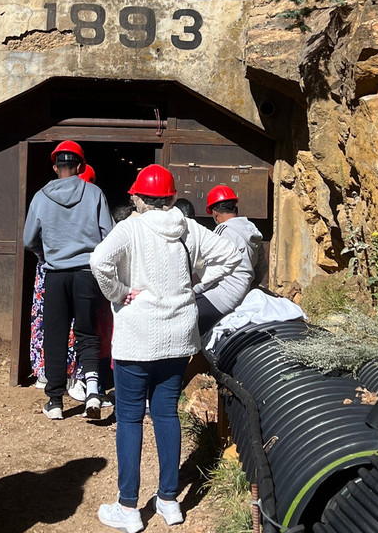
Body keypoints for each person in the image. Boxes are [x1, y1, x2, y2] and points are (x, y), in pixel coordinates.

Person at [89, 164, 241, 532]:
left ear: (139, 198)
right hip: (177, 337)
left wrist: (120, 293)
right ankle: (170, 501)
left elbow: (99, 262)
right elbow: (232, 257)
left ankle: (128, 508)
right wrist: (196, 286)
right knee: (166, 414)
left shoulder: (129, 228)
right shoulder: (188, 228)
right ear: (172, 198)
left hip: (136, 338)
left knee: (128, 418)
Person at [24, 140, 114, 420]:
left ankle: (55, 401)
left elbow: (29, 240)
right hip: (87, 275)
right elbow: (109, 236)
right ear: (80, 166)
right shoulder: (95, 193)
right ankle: (93, 392)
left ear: (55, 167)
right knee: (88, 333)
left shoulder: (40, 196)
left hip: (55, 275)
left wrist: (46, 255)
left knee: (55, 335)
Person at [197, 185, 264, 336]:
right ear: (235, 209)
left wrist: (194, 291)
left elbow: (210, 272)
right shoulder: (253, 230)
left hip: (223, 296)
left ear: (214, 214)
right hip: (244, 294)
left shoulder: (222, 231)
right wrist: (248, 287)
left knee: (184, 317)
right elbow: (261, 267)